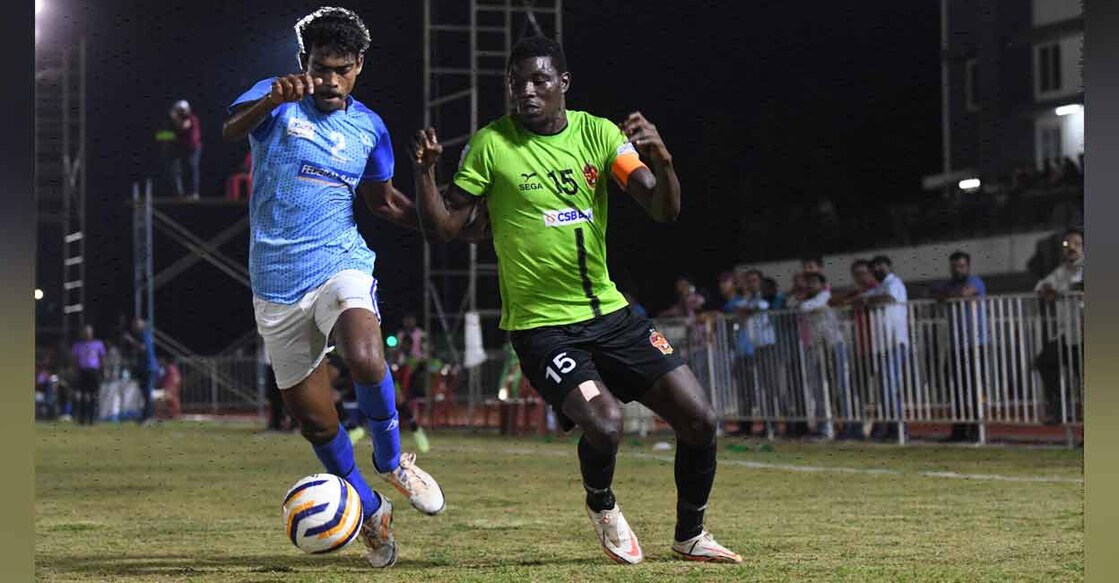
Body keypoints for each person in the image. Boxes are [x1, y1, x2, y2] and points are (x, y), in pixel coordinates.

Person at [410, 35, 741, 564]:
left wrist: (663, 157)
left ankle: (690, 537)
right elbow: (446, 226)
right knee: (605, 424)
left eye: (539, 80)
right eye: (517, 83)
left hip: (612, 315)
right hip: (543, 328)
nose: (527, 91)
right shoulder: (492, 143)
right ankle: (603, 505)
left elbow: (662, 208)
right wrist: (426, 173)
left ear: (563, 83)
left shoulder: (600, 135)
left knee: (699, 418)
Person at [221, 6, 452, 568]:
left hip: (339, 262)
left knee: (367, 358)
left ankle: (394, 461)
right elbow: (231, 130)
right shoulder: (274, 100)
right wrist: (270, 101)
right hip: (274, 283)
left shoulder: (370, 127)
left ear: (358, 68)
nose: (329, 80)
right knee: (317, 421)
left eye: (342, 70)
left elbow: (382, 203)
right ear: (305, 62)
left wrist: (439, 207)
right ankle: (370, 510)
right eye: (321, 68)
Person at [931, 251, 988, 442]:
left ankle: (975, 430)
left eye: (961, 266)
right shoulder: (949, 284)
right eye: (954, 266)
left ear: (968, 266)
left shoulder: (975, 280)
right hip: (956, 345)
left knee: (973, 387)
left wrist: (948, 294)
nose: (958, 269)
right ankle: (959, 430)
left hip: (975, 343)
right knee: (956, 388)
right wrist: (948, 294)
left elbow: (963, 293)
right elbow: (936, 294)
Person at [1034, 228, 1084, 425]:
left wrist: (1058, 290)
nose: (1071, 248)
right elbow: (1040, 287)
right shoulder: (1061, 270)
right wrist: (1050, 289)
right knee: (1044, 361)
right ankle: (1061, 409)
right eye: (1067, 244)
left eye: (1076, 244)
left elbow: (1080, 286)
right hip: (1069, 334)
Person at [122, 317, 160, 425]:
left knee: (147, 393)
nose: (133, 327)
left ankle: (148, 417)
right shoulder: (142, 335)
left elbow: (142, 348)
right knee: (144, 394)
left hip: (148, 368)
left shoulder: (144, 335)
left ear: (141, 325)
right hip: (144, 368)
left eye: (135, 325)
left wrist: (130, 340)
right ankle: (147, 416)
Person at [70, 325, 107, 425]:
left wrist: (103, 370)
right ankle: (82, 419)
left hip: (93, 371)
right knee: (82, 396)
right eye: (85, 332)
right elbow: (75, 360)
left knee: (94, 396)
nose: (87, 334)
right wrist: (75, 371)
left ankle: (93, 419)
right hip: (83, 371)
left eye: (89, 332)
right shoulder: (78, 345)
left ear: (92, 333)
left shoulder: (98, 344)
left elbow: (102, 358)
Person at [169, 99, 202, 198]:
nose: (182, 112)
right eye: (179, 110)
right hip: (183, 148)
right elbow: (165, 135)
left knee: (193, 167)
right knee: (180, 170)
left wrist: (175, 118)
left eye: (183, 110)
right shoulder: (173, 122)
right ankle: (181, 193)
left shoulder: (192, 118)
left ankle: (194, 192)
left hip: (194, 147)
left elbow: (183, 126)